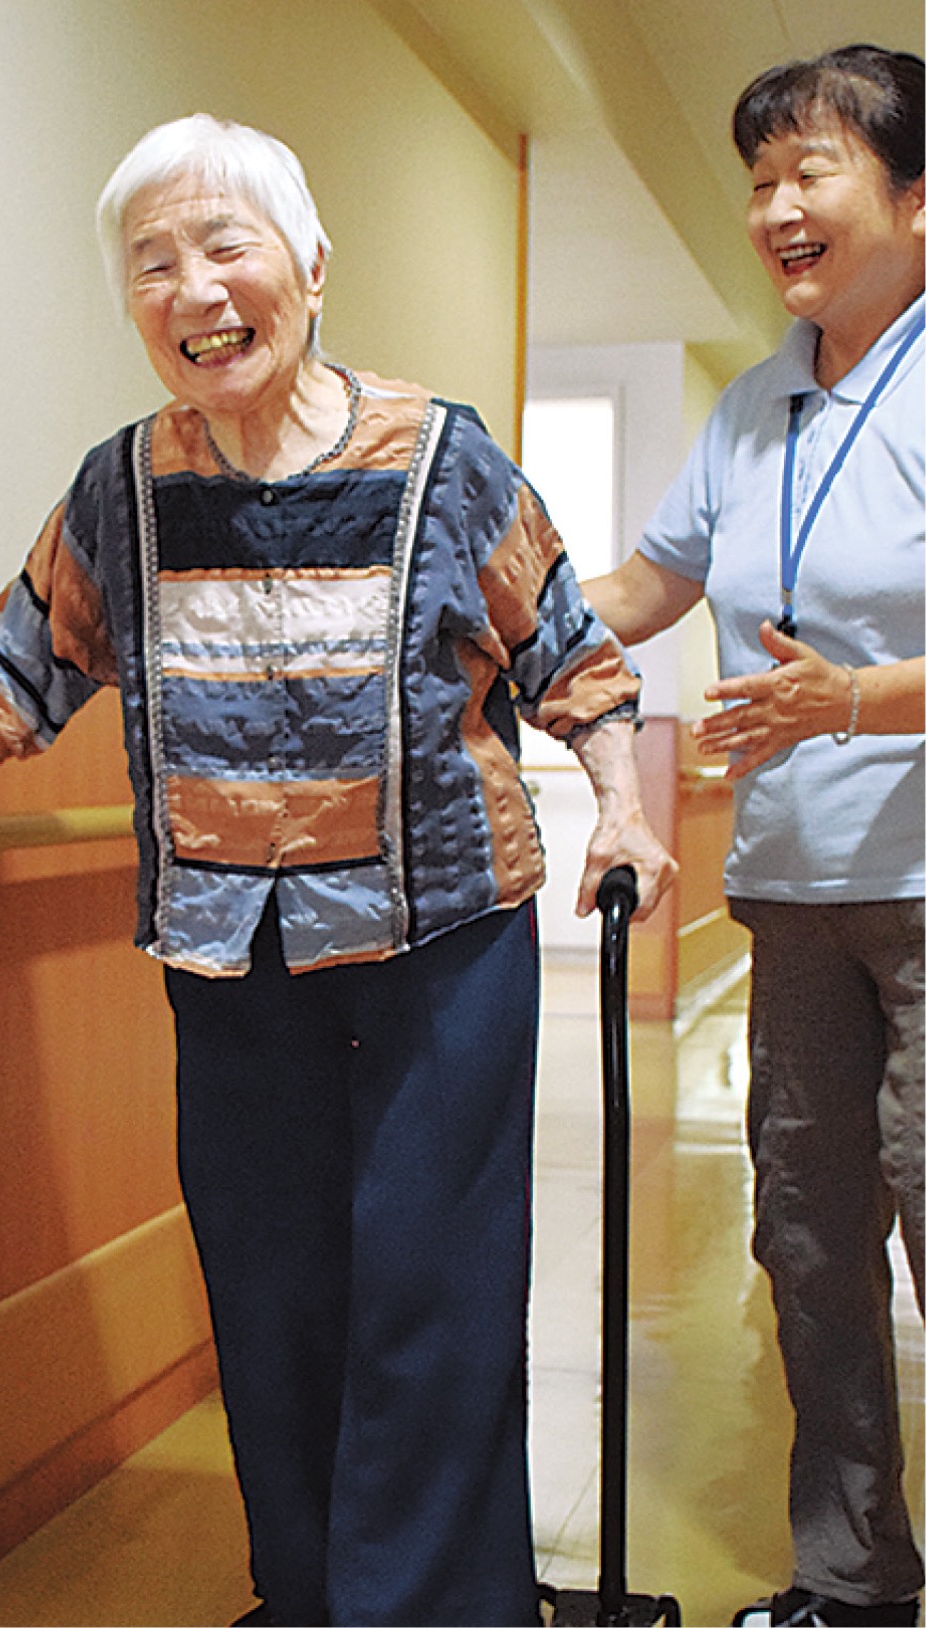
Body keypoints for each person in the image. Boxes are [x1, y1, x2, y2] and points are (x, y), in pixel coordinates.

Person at [0, 114, 675, 1627]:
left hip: (443, 947)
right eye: (153, 264)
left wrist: (622, 805)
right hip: (231, 957)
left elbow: (569, 650)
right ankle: (307, 1601)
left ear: (311, 264)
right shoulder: (126, 487)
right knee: (271, 1298)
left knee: (429, 1302)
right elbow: (14, 660)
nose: (195, 290)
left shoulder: (441, 458)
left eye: (226, 246)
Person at [583, 44, 924, 1628]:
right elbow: (646, 590)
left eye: (813, 172)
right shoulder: (751, 406)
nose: (776, 207)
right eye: (761, 180)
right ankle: (852, 1583)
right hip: (790, 896)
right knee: (810, 1246)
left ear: (914, 199)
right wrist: (486, 600)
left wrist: (848, 701)